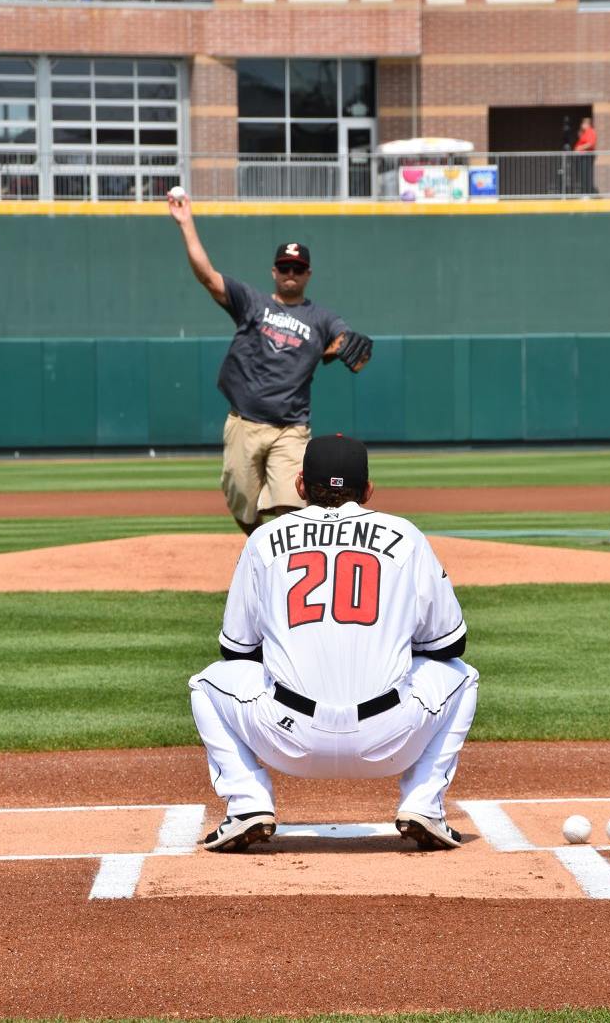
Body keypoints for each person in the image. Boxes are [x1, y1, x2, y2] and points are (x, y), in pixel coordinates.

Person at [188, 433, 479, 853]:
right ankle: (424, 804)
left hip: (288, 739)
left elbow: (236, 650)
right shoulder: (405, 535)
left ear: (301, 486)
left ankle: (248, 803)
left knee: (208, 683)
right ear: (369, 490)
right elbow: (450, 645)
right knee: (462, 677)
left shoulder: (264, 540)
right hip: (391, 739)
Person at [167, 194, 372, 534]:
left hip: (291, 427)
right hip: (244, 422)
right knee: (241, 501)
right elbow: (207, 276)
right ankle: (256, 544)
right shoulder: (252, 302)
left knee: (290, 502)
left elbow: (347, 341)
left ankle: (285, 559)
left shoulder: (321, 318)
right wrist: (186, 223)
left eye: (298, 268)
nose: (291, 273)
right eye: (285, 267)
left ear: (308, 273)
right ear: (274, 271)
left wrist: (340, 347)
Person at [573, 115, 597, 196]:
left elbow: (590, 144)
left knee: (586, 175)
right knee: (583, 175)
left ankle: (588, 194)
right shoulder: (585, 132)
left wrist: (580, 148)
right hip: (583, 157)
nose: (581, 125)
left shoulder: (590, 131)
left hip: (586, 157)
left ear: (587, 124)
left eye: (583, 124)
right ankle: (586, 193)